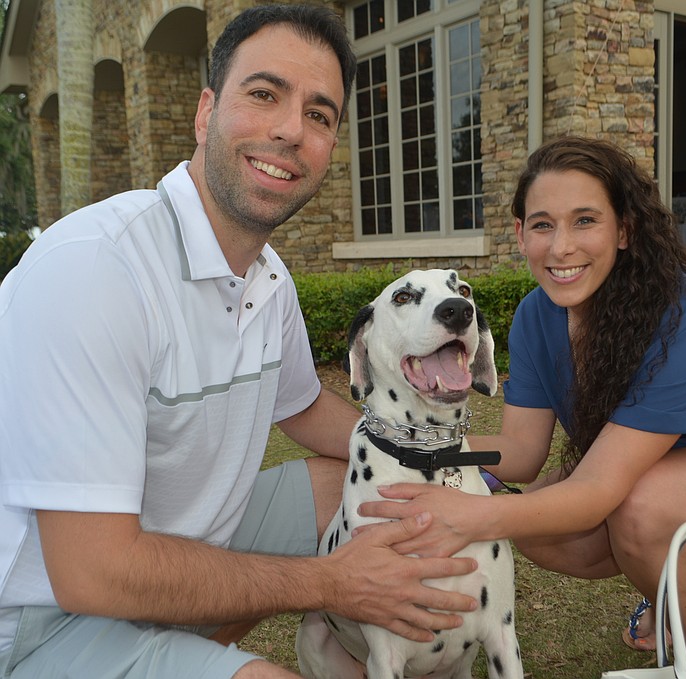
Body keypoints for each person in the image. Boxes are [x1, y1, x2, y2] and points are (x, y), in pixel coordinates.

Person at [0, 5, 478, 678]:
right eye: (264, 94)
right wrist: (332, 582)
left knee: (346, 485)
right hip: (45, 617)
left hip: (177, 540)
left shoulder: (267, 277)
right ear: (205, 113)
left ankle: (189, 644)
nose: (289, 130)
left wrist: (449, 464)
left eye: (319, 114)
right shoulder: (95, 269)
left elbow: (308, 411)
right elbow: (91, 571)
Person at [358, 136, 686, 662]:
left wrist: (474, 516)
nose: (561, 247)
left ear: (625, 230)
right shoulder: (535, 315)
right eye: (543, 224)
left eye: (585, 221)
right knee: (545, 531)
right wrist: (400, 444)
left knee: (641, 508)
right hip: (671, 470)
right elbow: (521, 453)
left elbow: (598, 489)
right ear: (521, 234)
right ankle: (667, 582)